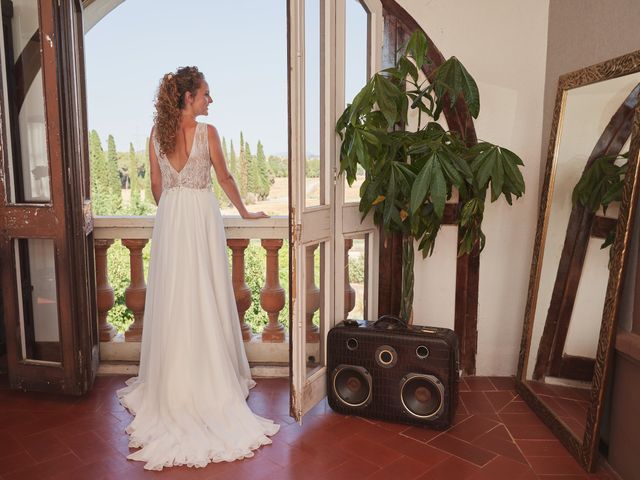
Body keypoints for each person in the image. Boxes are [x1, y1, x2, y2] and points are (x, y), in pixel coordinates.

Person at [117, 66, 279, 471]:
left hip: (171, 219)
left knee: (175, 298)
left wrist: (175, 207)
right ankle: (207, 382)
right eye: (206, 93)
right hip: (201, 219)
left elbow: (157, 188)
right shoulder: (208, 133)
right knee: (204, 292)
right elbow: (223, 177)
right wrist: (244, 211)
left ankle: (172, 385)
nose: (211, 100)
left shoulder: (156, 136)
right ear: (189, 97)